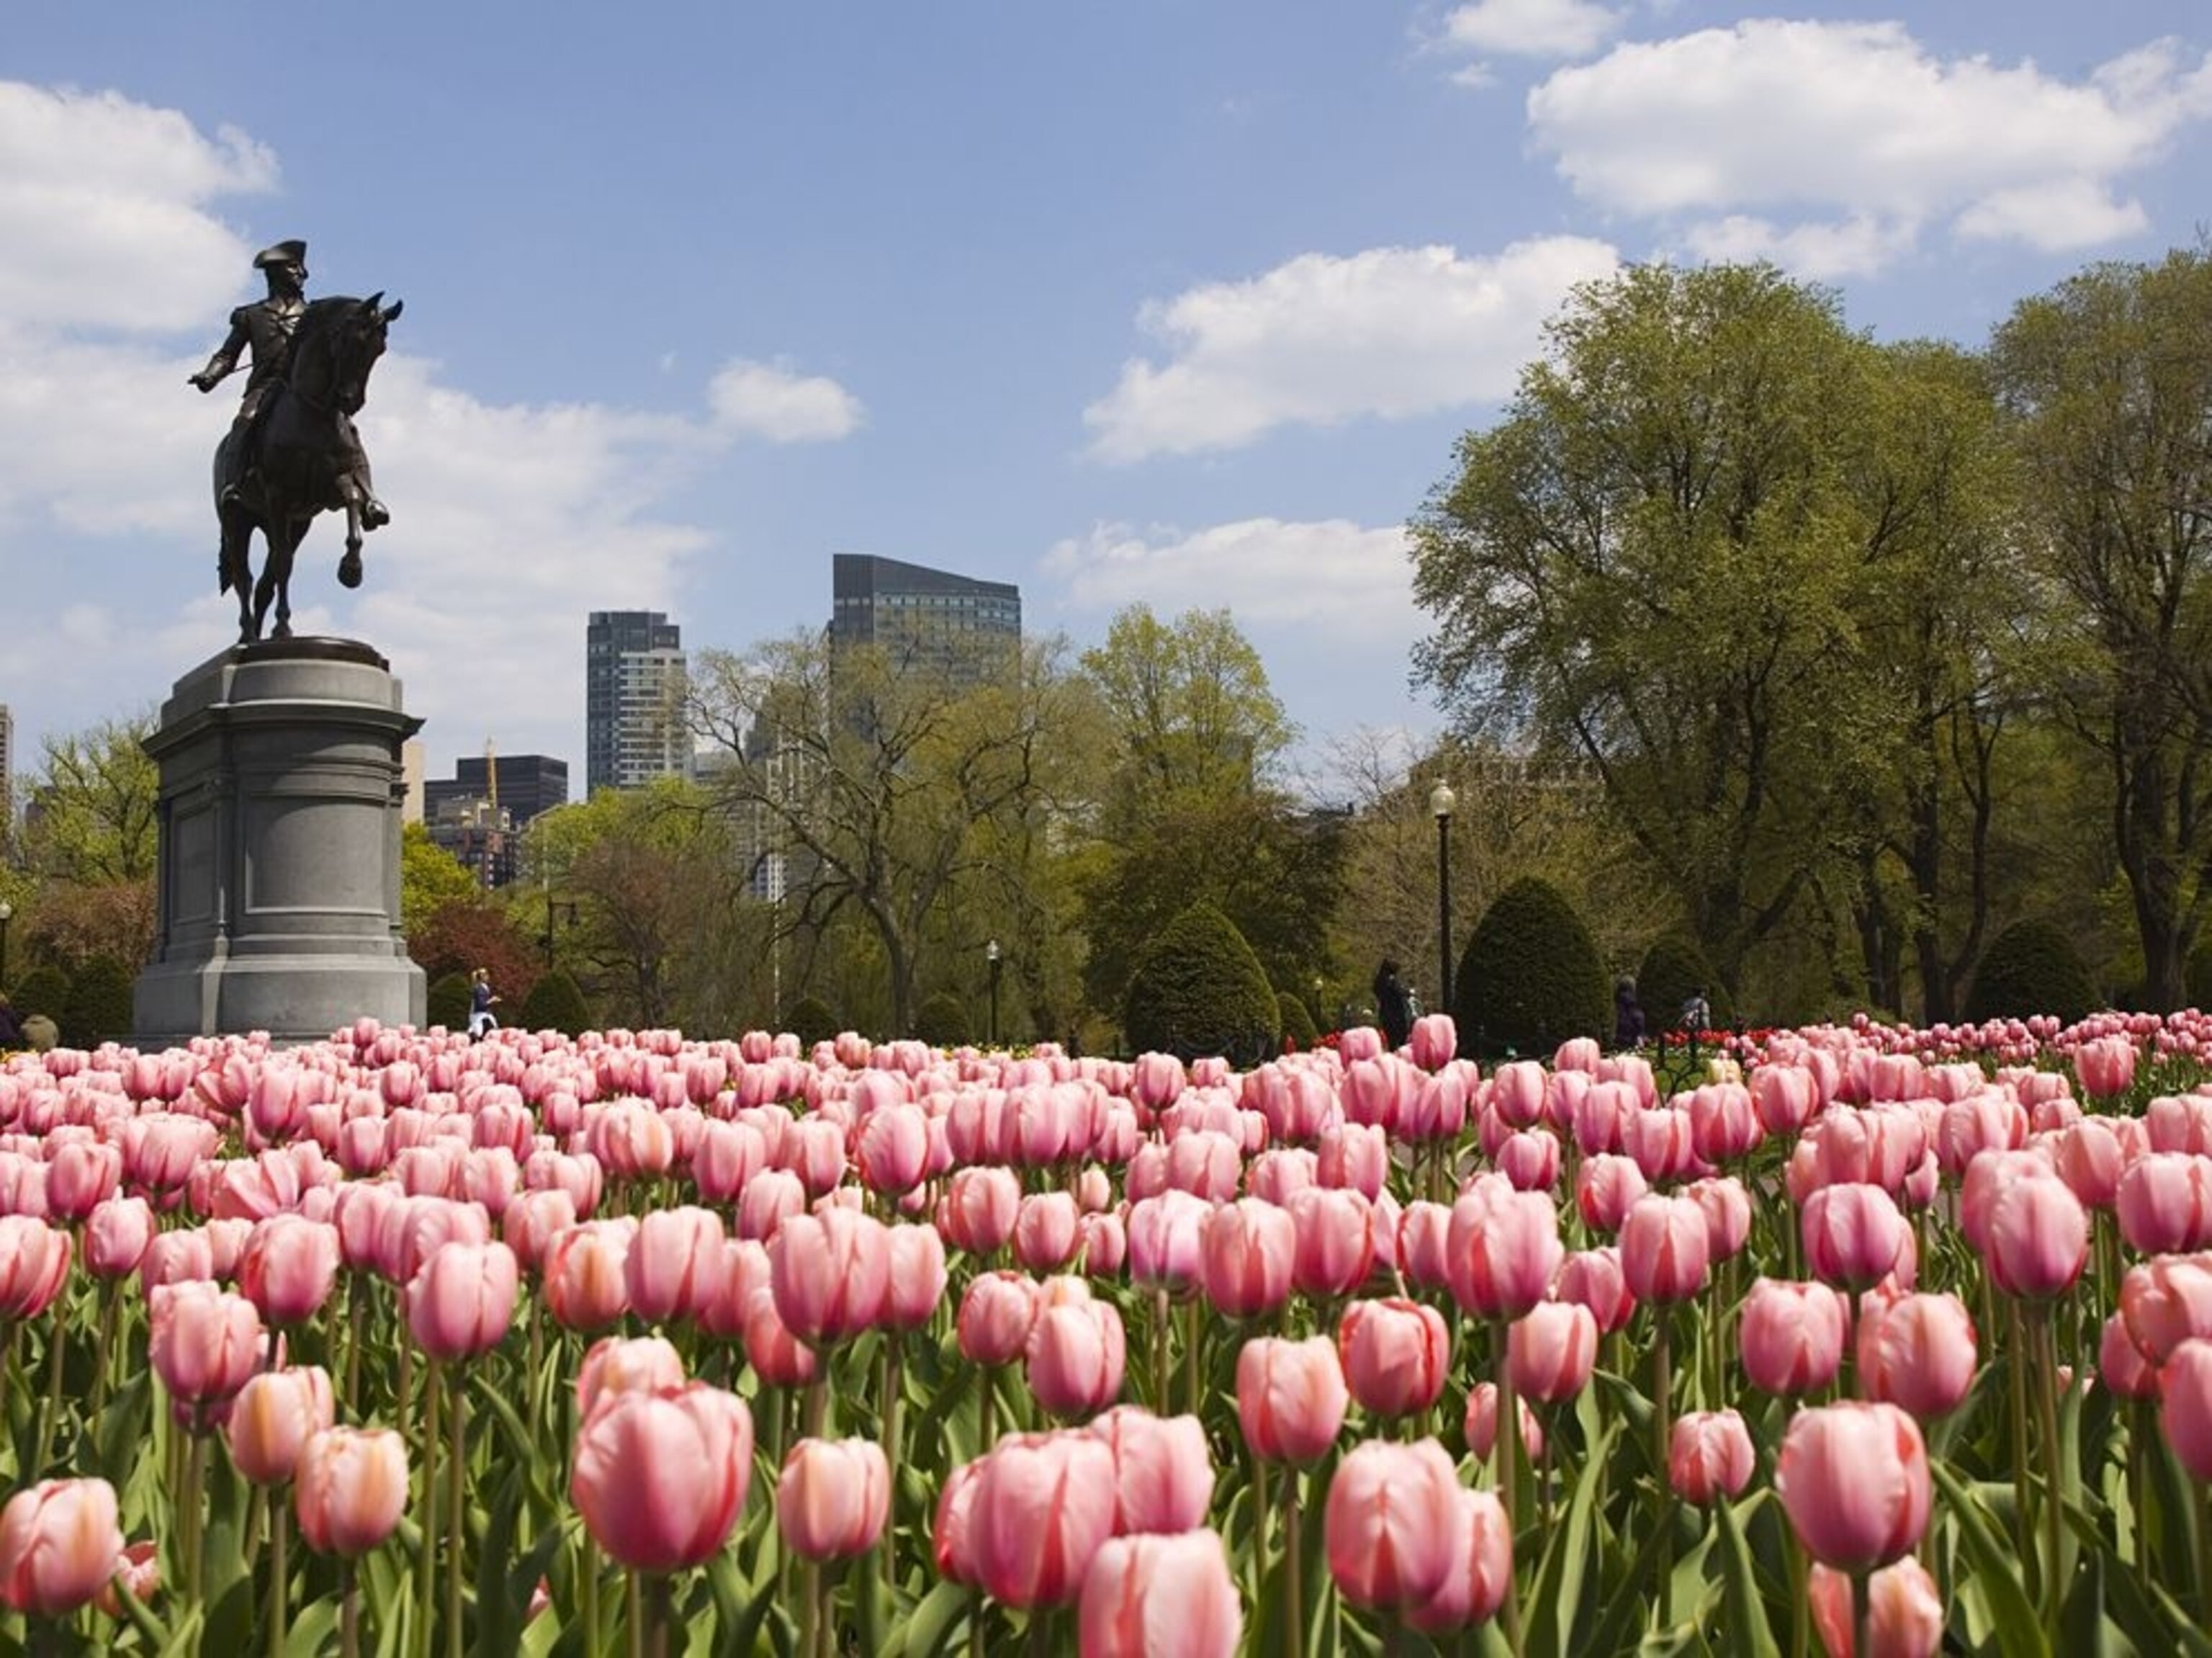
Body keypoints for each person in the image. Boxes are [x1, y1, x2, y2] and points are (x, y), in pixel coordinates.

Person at [190, 238, 389, 528]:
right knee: (245, 420)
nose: (301, 274)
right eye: (294, 268)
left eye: (301, 268)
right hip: (266, 387)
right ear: (275, 274)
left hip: (306, 390)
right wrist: (210, 375)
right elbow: (227, 355)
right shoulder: (251, 315)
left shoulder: (315, 317)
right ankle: (233, 485)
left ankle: (369, 496)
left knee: (348, 428)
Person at [1372, 959, 1413, 1049]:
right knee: (1401, 1040)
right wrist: (1408, 992)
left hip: (1385, 1013)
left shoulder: (1379, 981)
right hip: (1398, 1014)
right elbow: (1398, 991)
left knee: (1392, 1042)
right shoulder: (1391, 981)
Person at [1612, 975, 1645, 1051]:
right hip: (1631, 1041)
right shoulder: (1635, 1004)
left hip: (1617, 1040)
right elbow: (1639, 1028)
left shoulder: (1616, 1002)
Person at [467, 968, 500, 1040]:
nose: (488, 977)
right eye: (486, 975)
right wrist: (492, 1000)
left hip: (484, 1014)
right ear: (482, 977)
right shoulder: (479, 988)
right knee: (479, 1033)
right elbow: (481, 1004)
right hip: (480, 1015)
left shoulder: (483, 987)